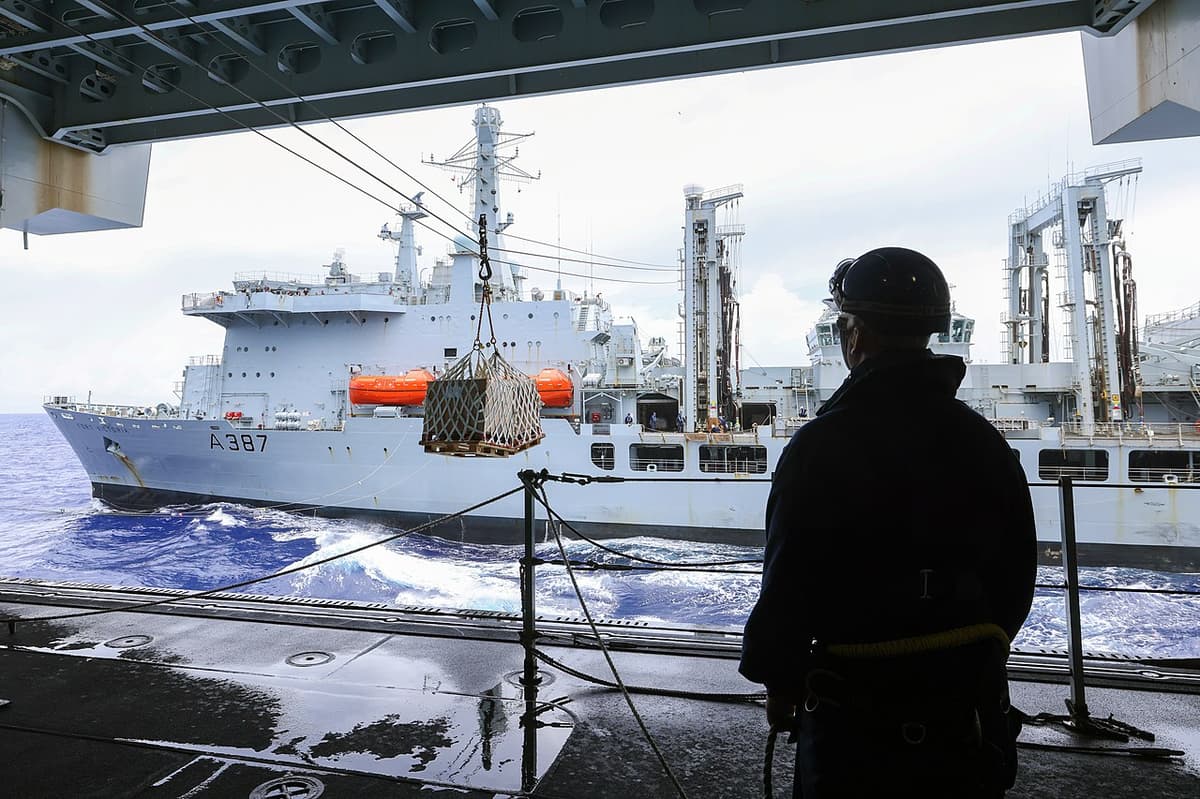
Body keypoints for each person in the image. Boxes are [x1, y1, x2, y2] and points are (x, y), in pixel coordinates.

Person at [740, 247, 1036, 798]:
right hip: (964, 711)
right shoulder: (985, 443)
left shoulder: (819, 446)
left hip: (855, 721)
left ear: (854, 336)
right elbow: (1017, 575)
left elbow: (789, 577)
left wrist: (779, 683)